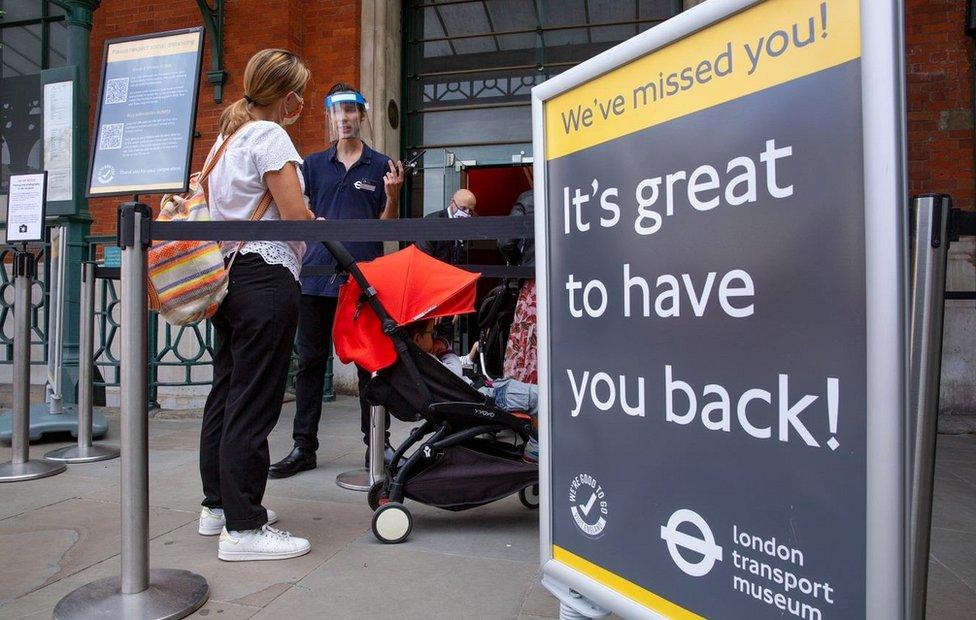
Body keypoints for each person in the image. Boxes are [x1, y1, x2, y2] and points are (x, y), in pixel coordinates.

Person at [197, 48, 313, 561]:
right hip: (266, 276)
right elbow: (292, 215)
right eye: (301, 93)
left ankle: (219, 507)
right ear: (286, 96)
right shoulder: (269, 135)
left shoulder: (224, 141)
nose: (303, 103)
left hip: (227, 278)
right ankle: (244, 530)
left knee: (226, 392)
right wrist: (316, 222)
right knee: (255, 399)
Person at [269, 83, 405, 478]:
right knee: (310, 364)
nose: (343, 118)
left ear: (361, 116)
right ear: (329, 117)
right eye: (336, 112)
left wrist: (393, 196)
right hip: (314, 278)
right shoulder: (310, 165)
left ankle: (375, 445)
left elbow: (388, 228)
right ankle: (303, 447)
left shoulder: (381, 166)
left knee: (370, 364)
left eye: (350, 111)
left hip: (363, 280)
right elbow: (295, 212)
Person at [406, 319, 539, 462]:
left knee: (524, 390)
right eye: (432, 333)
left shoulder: (418, 361)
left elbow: (451, 367)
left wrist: (469, 356)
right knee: (540, 397)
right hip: (484, 398)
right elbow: (453, 375)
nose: (435, 337)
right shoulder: (427, 363)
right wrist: (445, 350)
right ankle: (535, 449)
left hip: (481, 392)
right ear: (418, 338)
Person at [499, 180, 538, 384]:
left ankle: (524, 389)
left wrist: (518, 263)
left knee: (528, 336)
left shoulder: (527, 199)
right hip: (567, 283)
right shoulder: (570, 194)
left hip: (533, 282)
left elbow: (506, 240)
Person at [416, 188, 477, 265]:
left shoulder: (472, 221)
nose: (466, 213)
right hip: (437, 272)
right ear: (452, 202)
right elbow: (423, 255)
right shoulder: (432, 222)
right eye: (463, 208)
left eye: (470, 210)